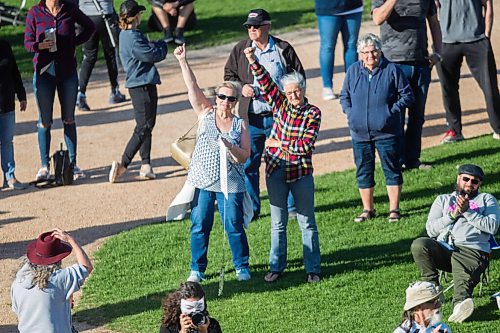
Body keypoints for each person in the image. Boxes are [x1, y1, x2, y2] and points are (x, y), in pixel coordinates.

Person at [244, 46, 321, 284]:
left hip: (301, 174)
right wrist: (252, 59)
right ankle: (276, 267)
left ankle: (313, 269)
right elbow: (266, 83)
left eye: (296, 92)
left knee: (306, 222)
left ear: (303, 90)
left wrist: (278, 142)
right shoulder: (280, 105)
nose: (292, 96)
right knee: (278, 224)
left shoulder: (313, 113)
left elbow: (304, 147)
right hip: (276, 173)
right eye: (288, 93)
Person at [174, 44, 251, 283]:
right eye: (221, 97)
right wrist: (182, 61)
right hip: (204, 181)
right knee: (199, 225)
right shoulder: (205, 114)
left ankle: (241, 267)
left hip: (231, 183)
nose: (225, 101)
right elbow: (192, 88)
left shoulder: (240, 125)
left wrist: (230, 147)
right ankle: (197, 269)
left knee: (233, 226)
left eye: (230, 98)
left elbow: (244, 156)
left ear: (235, 101)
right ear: (215, 98)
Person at [224, 8, 304, 221]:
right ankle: (253, 210)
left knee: (284, 160)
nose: (251, 30)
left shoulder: (283, 48)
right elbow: (229, 76)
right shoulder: (240, 49)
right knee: (249, 164)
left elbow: (298, 77)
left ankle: (291, 207)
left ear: (267, 26)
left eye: (256, 26)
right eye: (249, 26)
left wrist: (284, 95)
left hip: (279, 117)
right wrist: (242, 87)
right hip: (252, 118)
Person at [340, 33, 414, 223]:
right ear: (360, 54)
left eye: (373, 51)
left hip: (387, 132)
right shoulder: (353, 71)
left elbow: (407, 95)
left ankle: (394, 209)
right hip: (359, 134)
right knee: (363, 171)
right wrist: (350, 113)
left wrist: (390, 112)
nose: (370, 56)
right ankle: (368, 209)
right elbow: (344, 96)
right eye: (365, 52)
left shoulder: (392, 70)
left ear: (380, 52)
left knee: (392, 169)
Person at [411, 164, 499, 323]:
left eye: (475, 181)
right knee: (420, 244)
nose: (469, 184)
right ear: (458, 179)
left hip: (472, 251)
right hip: (444, 249)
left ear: (479, 185)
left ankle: (460, 305)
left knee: (462, 278)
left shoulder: (486, 200)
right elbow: (431, 230)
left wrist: (468, 212)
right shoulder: (443, 199)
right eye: (466, 179)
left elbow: (492, 227)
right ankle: (433, 288)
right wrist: (453, 215)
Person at [24, 0, 95, 181]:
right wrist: (40, 46)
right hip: (44, 73)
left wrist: (73, 42)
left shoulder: (70, 9)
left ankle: (72, 164)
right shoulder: (35, 12)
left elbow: (90, 27)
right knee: (45, 121)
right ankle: (44, 166)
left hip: (67, 72)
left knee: (69, 119)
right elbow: (27, 43)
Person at [372, 0, 442, 170]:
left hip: (421, 63)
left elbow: (434, 21)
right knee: (395, 115)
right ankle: (395, 161)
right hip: (393, 64)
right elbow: (378, 18)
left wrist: (438, 52)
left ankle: (412, 160)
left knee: (417, 116)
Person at [109, 0, 167, 183]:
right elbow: (152, 55)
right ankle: (122, 165)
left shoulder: (128, 34)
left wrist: (153, 45)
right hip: (141, 86)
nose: (141, 16)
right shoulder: (132, 37)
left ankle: (146, 165)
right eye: (139, 14)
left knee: (147, 124)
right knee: (144, 127)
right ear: (135, 17)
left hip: (141, 84)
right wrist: (162, 45)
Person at [435, 0, 500, 143]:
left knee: (489, 86)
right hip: (447, 42)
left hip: (476, 39)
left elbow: (487, 5)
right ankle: (455, 131)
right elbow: (434, 8)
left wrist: (486, 35)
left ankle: (498, 127)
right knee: (448, 89)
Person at [11, 228, 93, 332]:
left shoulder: (17, 283)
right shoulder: (60, 279)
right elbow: (86, 267)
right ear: (58, 259)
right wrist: (71, 240)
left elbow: (20, 313)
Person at [76, 0, 126, 111]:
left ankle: (81, 93)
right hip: (104, 14)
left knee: (88, 56)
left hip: (85, 16)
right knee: (110, 54)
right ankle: (115, 91)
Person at [314, 0, 363, 100]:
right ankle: (327, 86)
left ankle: (352, 85)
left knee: (351, 46)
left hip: (353, 7)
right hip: (327, 7)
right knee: (328, 47)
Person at [0, 37, 28, 190]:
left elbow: (15, 72)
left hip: (7, 103)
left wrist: (21, 95)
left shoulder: (5, 45)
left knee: (7, 142)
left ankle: (9, 176)